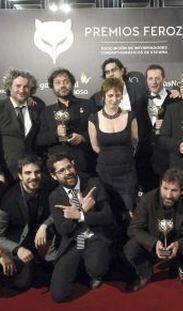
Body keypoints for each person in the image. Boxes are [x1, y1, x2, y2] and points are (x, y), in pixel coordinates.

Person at [123, 168, 183, 291]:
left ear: (182, 191)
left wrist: (179, 244)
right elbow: (133, 229)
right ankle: (145, 273)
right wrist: (153, 243)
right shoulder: (147, 200)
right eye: (165, 188)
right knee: (130, 248)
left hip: (179, 245)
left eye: (174, 190)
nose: (168, 195)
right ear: (160, 186)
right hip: (153, 243)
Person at [47, 153, 112, 302]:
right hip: (74, 241)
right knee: (59, 295)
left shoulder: (93, 183)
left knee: (98, 268)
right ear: (54, 176)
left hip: (94, 236)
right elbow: (63, 230)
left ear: (73, 165)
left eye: (69, 167)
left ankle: (91, 269)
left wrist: (81, 215)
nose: (67, 172)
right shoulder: (54, 196)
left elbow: (107, 216)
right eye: (61, 171)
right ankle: (81, 267)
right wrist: (82, 210)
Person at [88, 78, 138, 234]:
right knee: (110, 214)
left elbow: (135, 143)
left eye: (118, 95)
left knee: (131, 212)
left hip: (127, 173)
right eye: (110, 95)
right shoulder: (93, 118)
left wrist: (123, 158)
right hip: (105, 174)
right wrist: (111, 158)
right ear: (103, 96)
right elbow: (95, 146)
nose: (114, 99)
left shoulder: (131, 116)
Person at [0, 155, 54, 290]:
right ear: (20, 175)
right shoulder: (8, 199)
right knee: (22, 283)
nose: (33, 177)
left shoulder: (47, 187)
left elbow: (58, 208)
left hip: (39, 243)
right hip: (16, 245)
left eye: (37, 172)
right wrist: (16, 250)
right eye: (28, 173)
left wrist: (45, 225)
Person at [37, 68, 96, 174]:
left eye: (66, 82)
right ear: (52, 87)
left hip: (86, 165)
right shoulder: (46, 112)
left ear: (72, 84)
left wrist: (83, 138)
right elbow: (40, 140)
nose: (62, 86)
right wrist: (57, 135)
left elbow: (99, 131)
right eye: (58, 83)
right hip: (58, 169)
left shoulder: (88, 105)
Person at [0, 70, 43, 184]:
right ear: (9, 87)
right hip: (6, 174)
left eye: (26, 87)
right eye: (18, 86)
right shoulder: (1, 108)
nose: (22, 90)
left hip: (30, 176)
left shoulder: (37, 108)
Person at [142, 64, 180, 190]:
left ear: (164, 79)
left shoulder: (176, 100)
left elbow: (181, 128)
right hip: (145, 161)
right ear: (146, 80)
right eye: (150, 78)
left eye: (157, 78)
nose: (154, 82)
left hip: (168, 159)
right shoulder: (139, 102)